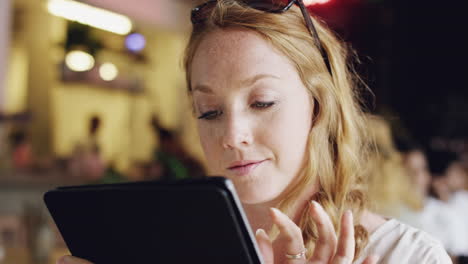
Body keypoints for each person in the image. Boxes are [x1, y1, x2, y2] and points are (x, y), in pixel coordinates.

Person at [58, 0, 451, 263]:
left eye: (262, 102)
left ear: (318, 106)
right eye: (209, 111)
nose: (232, 134)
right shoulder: (163, 251)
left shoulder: (407, 256)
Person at [398, 144, 468, 261]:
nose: (418, 177)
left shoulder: (440, 208)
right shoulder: (396, 215)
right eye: (410, 171)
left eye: (423, 169)